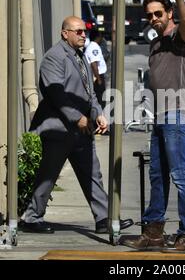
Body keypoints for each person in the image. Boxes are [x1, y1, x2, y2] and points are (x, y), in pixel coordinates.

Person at [20, 16, 133, 234]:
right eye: (78, 31)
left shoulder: (79, 56)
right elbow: (55, 94)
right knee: (48, 174)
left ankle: (104, 219)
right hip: (58, 129)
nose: (83, 35)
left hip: (81, 130)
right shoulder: (54, 57)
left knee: (93, 174)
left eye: (84, 31)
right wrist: (77, 117)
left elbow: (89, 93)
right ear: (65, 33)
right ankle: (32, 218)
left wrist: (98, 114)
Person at [122, 0, 185, 253]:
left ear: (169, 13)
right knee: (157, 174)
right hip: (160, 116)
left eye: (158, 13)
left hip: (177, 114)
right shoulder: (155, 42)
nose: (154, 19)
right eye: (150, 16)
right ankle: (153, 232)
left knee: (181, 176)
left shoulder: (180, 37)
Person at [85, 29, 107, 110]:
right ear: (97, 37)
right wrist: (99, 79)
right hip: (97, 76)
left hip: (96, 76)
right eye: (101, 37)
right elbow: (94, 64)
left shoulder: (91, 46)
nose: (102, 39)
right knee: (99, 99)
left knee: (100, 98)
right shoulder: (94, 47)